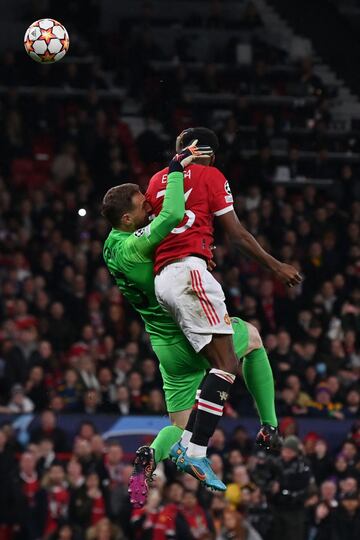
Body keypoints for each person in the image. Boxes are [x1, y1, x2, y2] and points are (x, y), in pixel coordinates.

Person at [102, 143, 279, 499]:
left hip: (163, 347)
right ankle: (268, 424)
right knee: (253, 340)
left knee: (176, 428)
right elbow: (171, 217)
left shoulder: (111, 245)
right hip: (185, 330)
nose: (148, 204)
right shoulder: (135, 245)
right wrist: (178, 170)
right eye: (141, 205)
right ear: (126, 220)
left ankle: (150, 454)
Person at [147, 127, 301, 481]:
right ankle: (196, 449)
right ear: (208, 154)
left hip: (161, 284)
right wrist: (276, 266)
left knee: (240, 343)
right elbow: (236, 233)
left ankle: (174, 445)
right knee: (227, 362)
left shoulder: (156, 180)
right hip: (190, 274)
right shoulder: (211, 175)